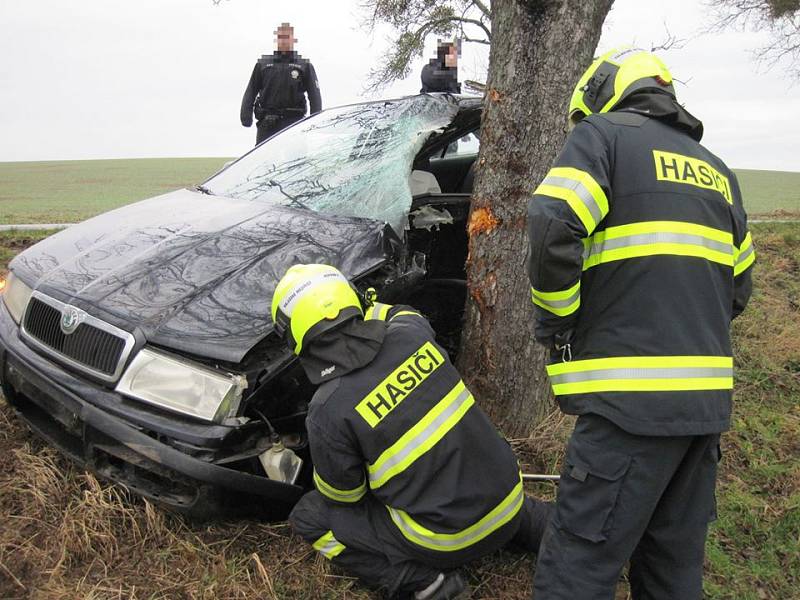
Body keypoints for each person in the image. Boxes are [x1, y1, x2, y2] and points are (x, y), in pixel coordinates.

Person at [526, 47, 754, 599]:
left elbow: (553, 221)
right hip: (702, 415)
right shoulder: (717, 172)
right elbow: (740, 285)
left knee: (577, 566)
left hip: (627, 411)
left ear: (602, 92)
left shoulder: (601, 138)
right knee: (672, 570)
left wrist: (558, 321)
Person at [271, 264, 551, 600]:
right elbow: (401, 311)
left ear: (293, 334)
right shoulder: (411, 333)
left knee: (310, 516)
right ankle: (565, 534)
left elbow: (344, 498)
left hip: (445, 541)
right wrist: (366, 304)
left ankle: (424, 582)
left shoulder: (326, 410)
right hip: (510, 497)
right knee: (501, 502)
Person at [240, 22, 322, 145]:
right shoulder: (263, 64)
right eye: (281, 38)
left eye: (287, 38)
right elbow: (251, 91)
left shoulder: (304, 65)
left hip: (294, 123)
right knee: (263, 162)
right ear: (277, 40)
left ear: (293, 39)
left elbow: (314, 95)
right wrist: (246, 118)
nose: (284, 41)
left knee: (295, 162)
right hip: (267, 123)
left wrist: (315, 121)